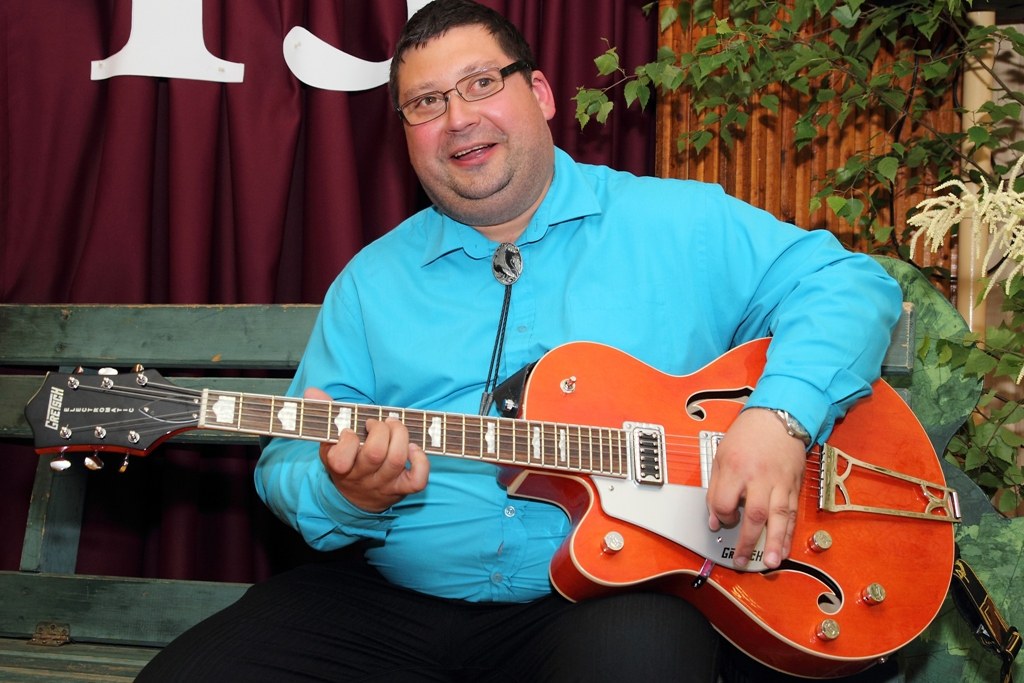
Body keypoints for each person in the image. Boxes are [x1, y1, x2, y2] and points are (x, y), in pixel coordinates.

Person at [138, 0, 903, 680]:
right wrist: (345, 491)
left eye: (480, 83)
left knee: (640, 658)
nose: (457, 119)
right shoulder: (371, 282)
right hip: (395, 599)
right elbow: (288, 462)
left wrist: (779, 417)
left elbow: (849, 284)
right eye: (426, 103)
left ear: (538, 93)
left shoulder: (677, 221)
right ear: (406, 134)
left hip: (613, 595)